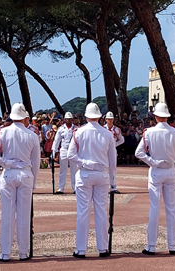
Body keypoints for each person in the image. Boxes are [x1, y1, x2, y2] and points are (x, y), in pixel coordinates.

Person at [0, 102, 40, 261]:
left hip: (9, 173)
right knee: (24, 215)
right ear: (24, 118)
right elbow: (36, 162)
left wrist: (5, 163)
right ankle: (23, 252)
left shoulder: (3, 132)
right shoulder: (32, 135)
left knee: (7, 215)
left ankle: (5, 253)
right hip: (25, 173)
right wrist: (34, 181)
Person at [67, 102, 117, 259]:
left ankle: (81, 249)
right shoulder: (107, 134)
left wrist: (85, 162)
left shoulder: (79, 132)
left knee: (83, 212)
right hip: (102, 175)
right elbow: (113, 161)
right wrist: (113, 182)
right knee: (101, 212)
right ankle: (103, 248)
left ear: (86, 116)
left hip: (85, 174)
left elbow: (70, 155)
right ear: (100, 117)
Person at [135, 102, 175, 255]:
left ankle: (151, 245)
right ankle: (172, 245)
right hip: (170, 171)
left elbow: (138, 153)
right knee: (171, 209)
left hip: (156, 171)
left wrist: (152, 162)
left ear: (155, 116)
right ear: (167, 117)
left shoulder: (149, 132)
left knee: (154, 208)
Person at [52, 112, 78, 194]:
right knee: (62, 170)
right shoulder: (61, 129)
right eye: (67, 119)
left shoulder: (76, 129)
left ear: (72, 120)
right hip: (64, 150)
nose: (68, 121)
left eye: (70, 119)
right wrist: (54, 151)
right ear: (64, 120)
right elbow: (57, 140)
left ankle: (75, 188)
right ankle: (61, 188)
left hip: (73, 150)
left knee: (74, 170)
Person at [104, 111, 124, 194]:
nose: (110, 121)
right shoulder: (102, 129)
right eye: (108, 119)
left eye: (111, 119)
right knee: (104, 168)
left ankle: (113, 186)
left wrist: (114, 145)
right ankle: (105, 186)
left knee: (112, 168)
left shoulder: (116, 130)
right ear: (106, 120)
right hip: (104, 150)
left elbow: (122, 140)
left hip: (112, 150)